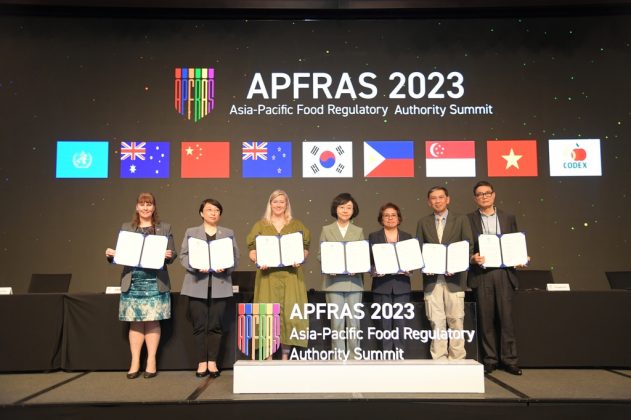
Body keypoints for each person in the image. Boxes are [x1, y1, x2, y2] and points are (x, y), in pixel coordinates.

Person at [105, 192, 176, 379]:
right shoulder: (127, 227)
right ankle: (135, 361)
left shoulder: (164, 228)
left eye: (149, 204)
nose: (145, 208)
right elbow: (121, 255)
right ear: (137, 207)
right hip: (133, 280)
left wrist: (168, 255)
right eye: (142, 204)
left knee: (153, 321)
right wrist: (112, 255)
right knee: (135, 321)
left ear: (154, 207)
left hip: (155, 281)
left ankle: (151, 361)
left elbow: (173, 255)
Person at [246, 190, 310, 360]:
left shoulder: (296, 225)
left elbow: (305, 248)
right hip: (267, 278)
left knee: (289, 315)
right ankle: (268, 357)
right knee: (267, 315)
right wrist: (257, 259)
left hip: (291, 276)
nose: (278, 205)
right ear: (270, 204)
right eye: (275, 202)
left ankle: (285, 357)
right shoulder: (260, 225)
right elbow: (252, 250)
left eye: (282, 202)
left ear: (286, 204)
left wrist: (301, 258)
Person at [180, 198, 240, 378]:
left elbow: (235, 257)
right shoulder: (191, 232)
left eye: (216, 210)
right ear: (202, 213)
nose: (213, 213)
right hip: (196, 284)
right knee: (199, 325)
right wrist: (196, 266)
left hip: (220, 285)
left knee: (216, 325)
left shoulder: (228, 233)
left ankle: (212, 362)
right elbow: (183, 255)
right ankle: (201, 362)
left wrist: (226, 267)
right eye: (209, 210)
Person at [468, 181, 523, 375]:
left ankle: (510, 360)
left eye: (487, 193)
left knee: (506, 319)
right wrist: (472, 258)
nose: (484, 197)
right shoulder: (468, 219)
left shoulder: (508, 217)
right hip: (482, 273)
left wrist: (520, 257)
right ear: (475, 198)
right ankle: (490, 359)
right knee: (486, 319)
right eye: (479, 194)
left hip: (503, 273)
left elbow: (515, 242)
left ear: (493, 195)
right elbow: (466, 246)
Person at [416, 186, 473, 360]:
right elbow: (419, 249)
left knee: (456, 319)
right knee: (436, 321)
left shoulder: (461, 219)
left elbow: (468, 246)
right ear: (429, 202)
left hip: (455, 279)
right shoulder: (423, 222)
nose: (437, 201)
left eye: (441, 197)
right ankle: (439, 357)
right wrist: (425, 265)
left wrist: (456, 265)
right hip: (432, 280)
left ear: (448, 199)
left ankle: (457, 357)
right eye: (433, 198)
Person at [319, 193, 364, 358]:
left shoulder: (358, 231)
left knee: (354, 323)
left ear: (353, 210)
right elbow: (320, 254)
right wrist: (328, 266)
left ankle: (354, 357)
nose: (345, 210)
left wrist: (357, 266)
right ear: (336, 209)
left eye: (349, 207)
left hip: (354, 283)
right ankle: (337, 358)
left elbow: (361, 255)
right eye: (342, 207)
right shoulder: (326, 230)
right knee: (336, 323)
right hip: (333, 283)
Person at [368, 203, 413, 352]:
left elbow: (412, 261)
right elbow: (369, 262)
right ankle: (385, 354)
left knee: (401, 323)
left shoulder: (407, 237)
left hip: (402, 286)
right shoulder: (374, 237)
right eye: (386, 215)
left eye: (393, 215)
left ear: (398, 218)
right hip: (382, 286)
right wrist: (375, 271)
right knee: (383, 323)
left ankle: (399, 353)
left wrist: (409, 269)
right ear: (381, 219)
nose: (390, 218)